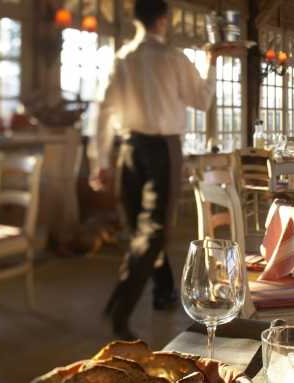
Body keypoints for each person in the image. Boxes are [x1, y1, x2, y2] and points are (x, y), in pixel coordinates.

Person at [91, 0, 216, 340]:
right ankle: (121, 310)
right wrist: (211, 62)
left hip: (128, 150)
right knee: (154, 232)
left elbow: (103, 113)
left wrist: (100, 162)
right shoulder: (174, 58)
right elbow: (203, 100)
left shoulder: (121, 59)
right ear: (163, 21)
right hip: (163, 149)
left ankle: (156, 289)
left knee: (139, 232)